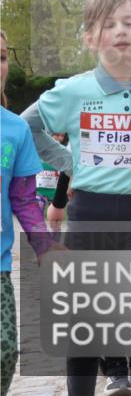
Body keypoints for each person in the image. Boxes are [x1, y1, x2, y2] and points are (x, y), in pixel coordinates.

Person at [21, 0, 131, 396]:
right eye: (107, 24)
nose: (120, 32)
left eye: (128, 22)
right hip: (89, 218)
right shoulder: (72, 92)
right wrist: (69, 163)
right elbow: (28, 126)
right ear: (90, 38)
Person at [1, 31, 60, 396]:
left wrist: (46, 246)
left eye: (3, 56)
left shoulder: (15, 129)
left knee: (5, 350)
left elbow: (23, 199)